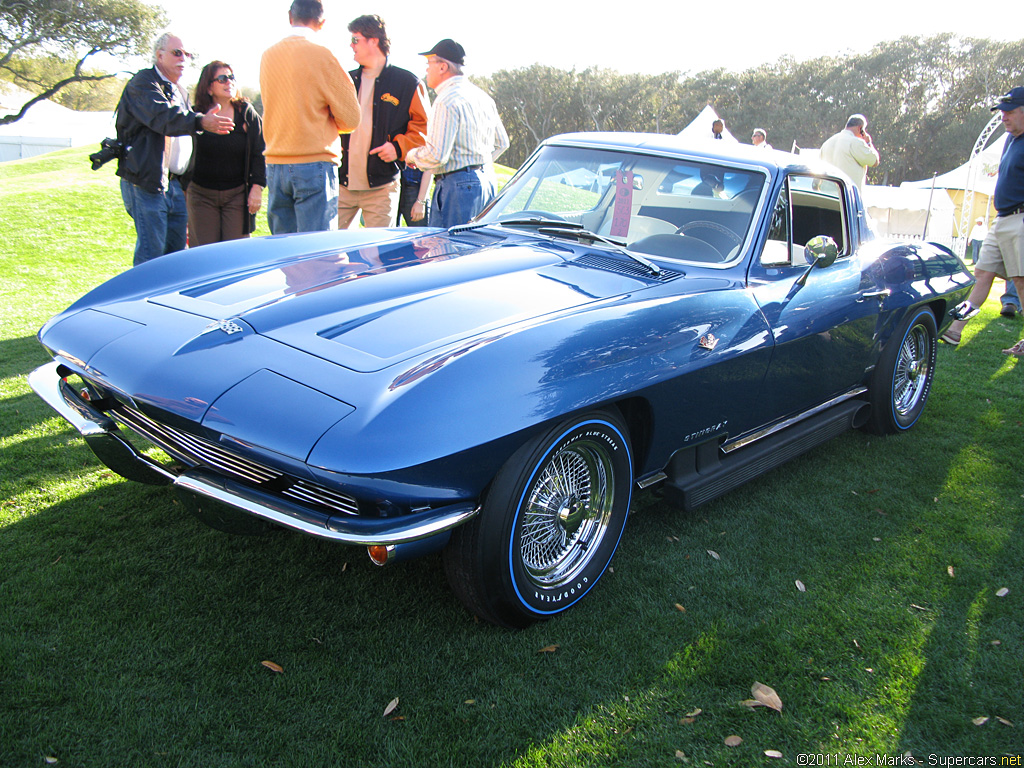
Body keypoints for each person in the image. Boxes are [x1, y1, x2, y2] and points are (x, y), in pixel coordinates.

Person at [114, 32, 235, 266]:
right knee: (151, 255)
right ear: (159, 55)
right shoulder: (143, 83)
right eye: (177, 53)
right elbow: (163, 118)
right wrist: (201, 121)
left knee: (176, 257)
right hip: (146, 182)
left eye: (187, 54)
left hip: (175, 185)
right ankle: (142, 302)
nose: (183, 59)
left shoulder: (179, 89)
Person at [259, 0, 360, 234]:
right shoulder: (322, 54)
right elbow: (351, 118)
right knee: (318, 256)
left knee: (284, 255)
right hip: (314, 162)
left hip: (275, 162)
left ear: (289, 16)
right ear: (322, 22)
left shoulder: (268, 55)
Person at [941, 87, 1024, 356]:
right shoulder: (1011, 141)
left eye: (1009, 112)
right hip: (1001, 220)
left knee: (1021, 281)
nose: (1004, 118)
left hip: (1021, 219)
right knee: (981, 273)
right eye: (1002, 113)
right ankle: (954, 330)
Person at [404, 39, 509, 228]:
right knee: (478, 250)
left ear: (443, 67)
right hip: (486, 181)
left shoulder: (446, 100)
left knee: (449, 252)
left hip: (457, 186)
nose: (427, 69)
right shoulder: (483, 97)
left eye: (429, 64)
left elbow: (436, 156)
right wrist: (477, 165)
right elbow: (503, 143)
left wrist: (411, 156)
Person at [338, 15, 429, 229]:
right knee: (328, 255)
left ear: (374, 41)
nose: (350, 45)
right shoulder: (345, 80)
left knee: (377, 256)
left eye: (355, 40)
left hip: (381, 189)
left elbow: (425, 130)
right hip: (341, 186)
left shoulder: (408, 83)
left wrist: (399, 147)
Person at [186, 61, 266, 246]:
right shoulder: (196, 115)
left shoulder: (246, 113)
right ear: (208, 87)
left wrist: (257, 187)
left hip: (237, 195)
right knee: (204, 255)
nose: (228, 82)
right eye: (222, 78)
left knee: (236, 254)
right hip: (201, 195)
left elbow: (259, 152)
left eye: (231, 77)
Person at [819, 114, 879, 191]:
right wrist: (868, 143)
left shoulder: (827, 143)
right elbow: (874, 161)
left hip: (827, 195)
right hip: (846, 197)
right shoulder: (856, 142)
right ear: (860, 128)